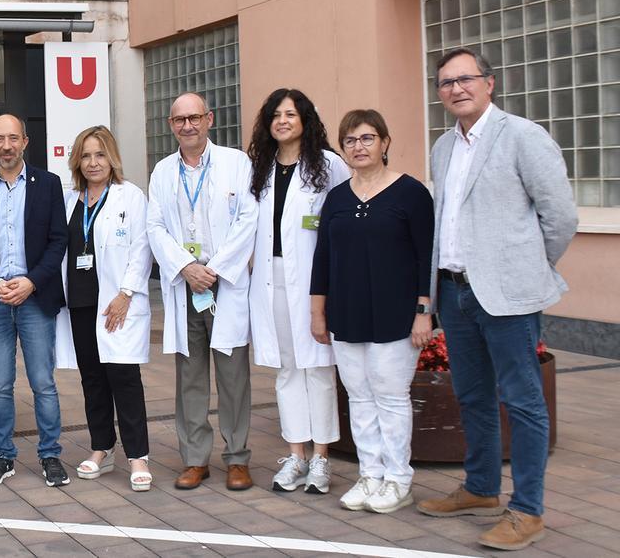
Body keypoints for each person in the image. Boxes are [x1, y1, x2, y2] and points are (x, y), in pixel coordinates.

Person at [417, 48, 576, 551]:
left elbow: (560, 217)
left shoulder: (523, 137)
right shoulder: (443, 147)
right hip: (457, 292)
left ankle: (527, 511)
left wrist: (527, 267)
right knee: (472, 397)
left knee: (523, 402)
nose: (456, 89)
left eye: (465, 79)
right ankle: (482, 488)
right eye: (445, 83)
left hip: (508, 296)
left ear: (489, 83)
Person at [309, 109, 434, 514]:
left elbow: (425, 258)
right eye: (349, 140)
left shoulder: (411, 193)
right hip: (347, 313)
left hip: (396, 315)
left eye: (366, 138)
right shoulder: (337, 198)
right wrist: (318, 313)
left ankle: (398, 479)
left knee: (391, 396)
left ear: (384, 142)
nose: (358, 147)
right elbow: (323, 259)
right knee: (360, 398)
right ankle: (370, 475)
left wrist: (423, 311)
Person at [147, 92, 257, 492]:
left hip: (223, 285)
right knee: (189, 378)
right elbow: (154, 227)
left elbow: (249, 217)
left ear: (209, 119)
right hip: (186, 285)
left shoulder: (236, 163)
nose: (188, 126)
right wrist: (185, 268)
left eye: (194, 118)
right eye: (179, 120)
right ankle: (195, 459)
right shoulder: (162, 171)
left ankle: (237, 458)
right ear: (171, 125)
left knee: (234, 378)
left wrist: (215, 269)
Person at [0, 114, 70, 488]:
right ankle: (3, 456)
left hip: (35, 298)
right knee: (1, 384)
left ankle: (50, 454)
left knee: (43, 382)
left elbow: (58, 242)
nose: (6, 145)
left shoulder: (48, 184)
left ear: (25, 141)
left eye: (13, 138)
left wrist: (32, 282)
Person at [246, 89, 350, 495]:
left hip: (314, 280)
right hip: (270, 278)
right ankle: (296, 455)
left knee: (319, 368)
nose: (283, 121)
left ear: (305, 119)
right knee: (288, 368)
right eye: (276, 114)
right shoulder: (260, 168)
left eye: (291, 113)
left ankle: (321, 459)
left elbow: (340, 225)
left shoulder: (330, 166)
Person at [52, 126, 154, 492]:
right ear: (77, 160)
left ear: (111, 158)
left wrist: (126, 293)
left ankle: (138, 456)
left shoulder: (131, 197)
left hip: (116, 304)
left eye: (100, 155)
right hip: (80, 303)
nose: (93, 162)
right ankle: (101, 447)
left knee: (124, 380)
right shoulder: (69, 200)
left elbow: (142, 248)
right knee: (92, 379)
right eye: (86, 155)